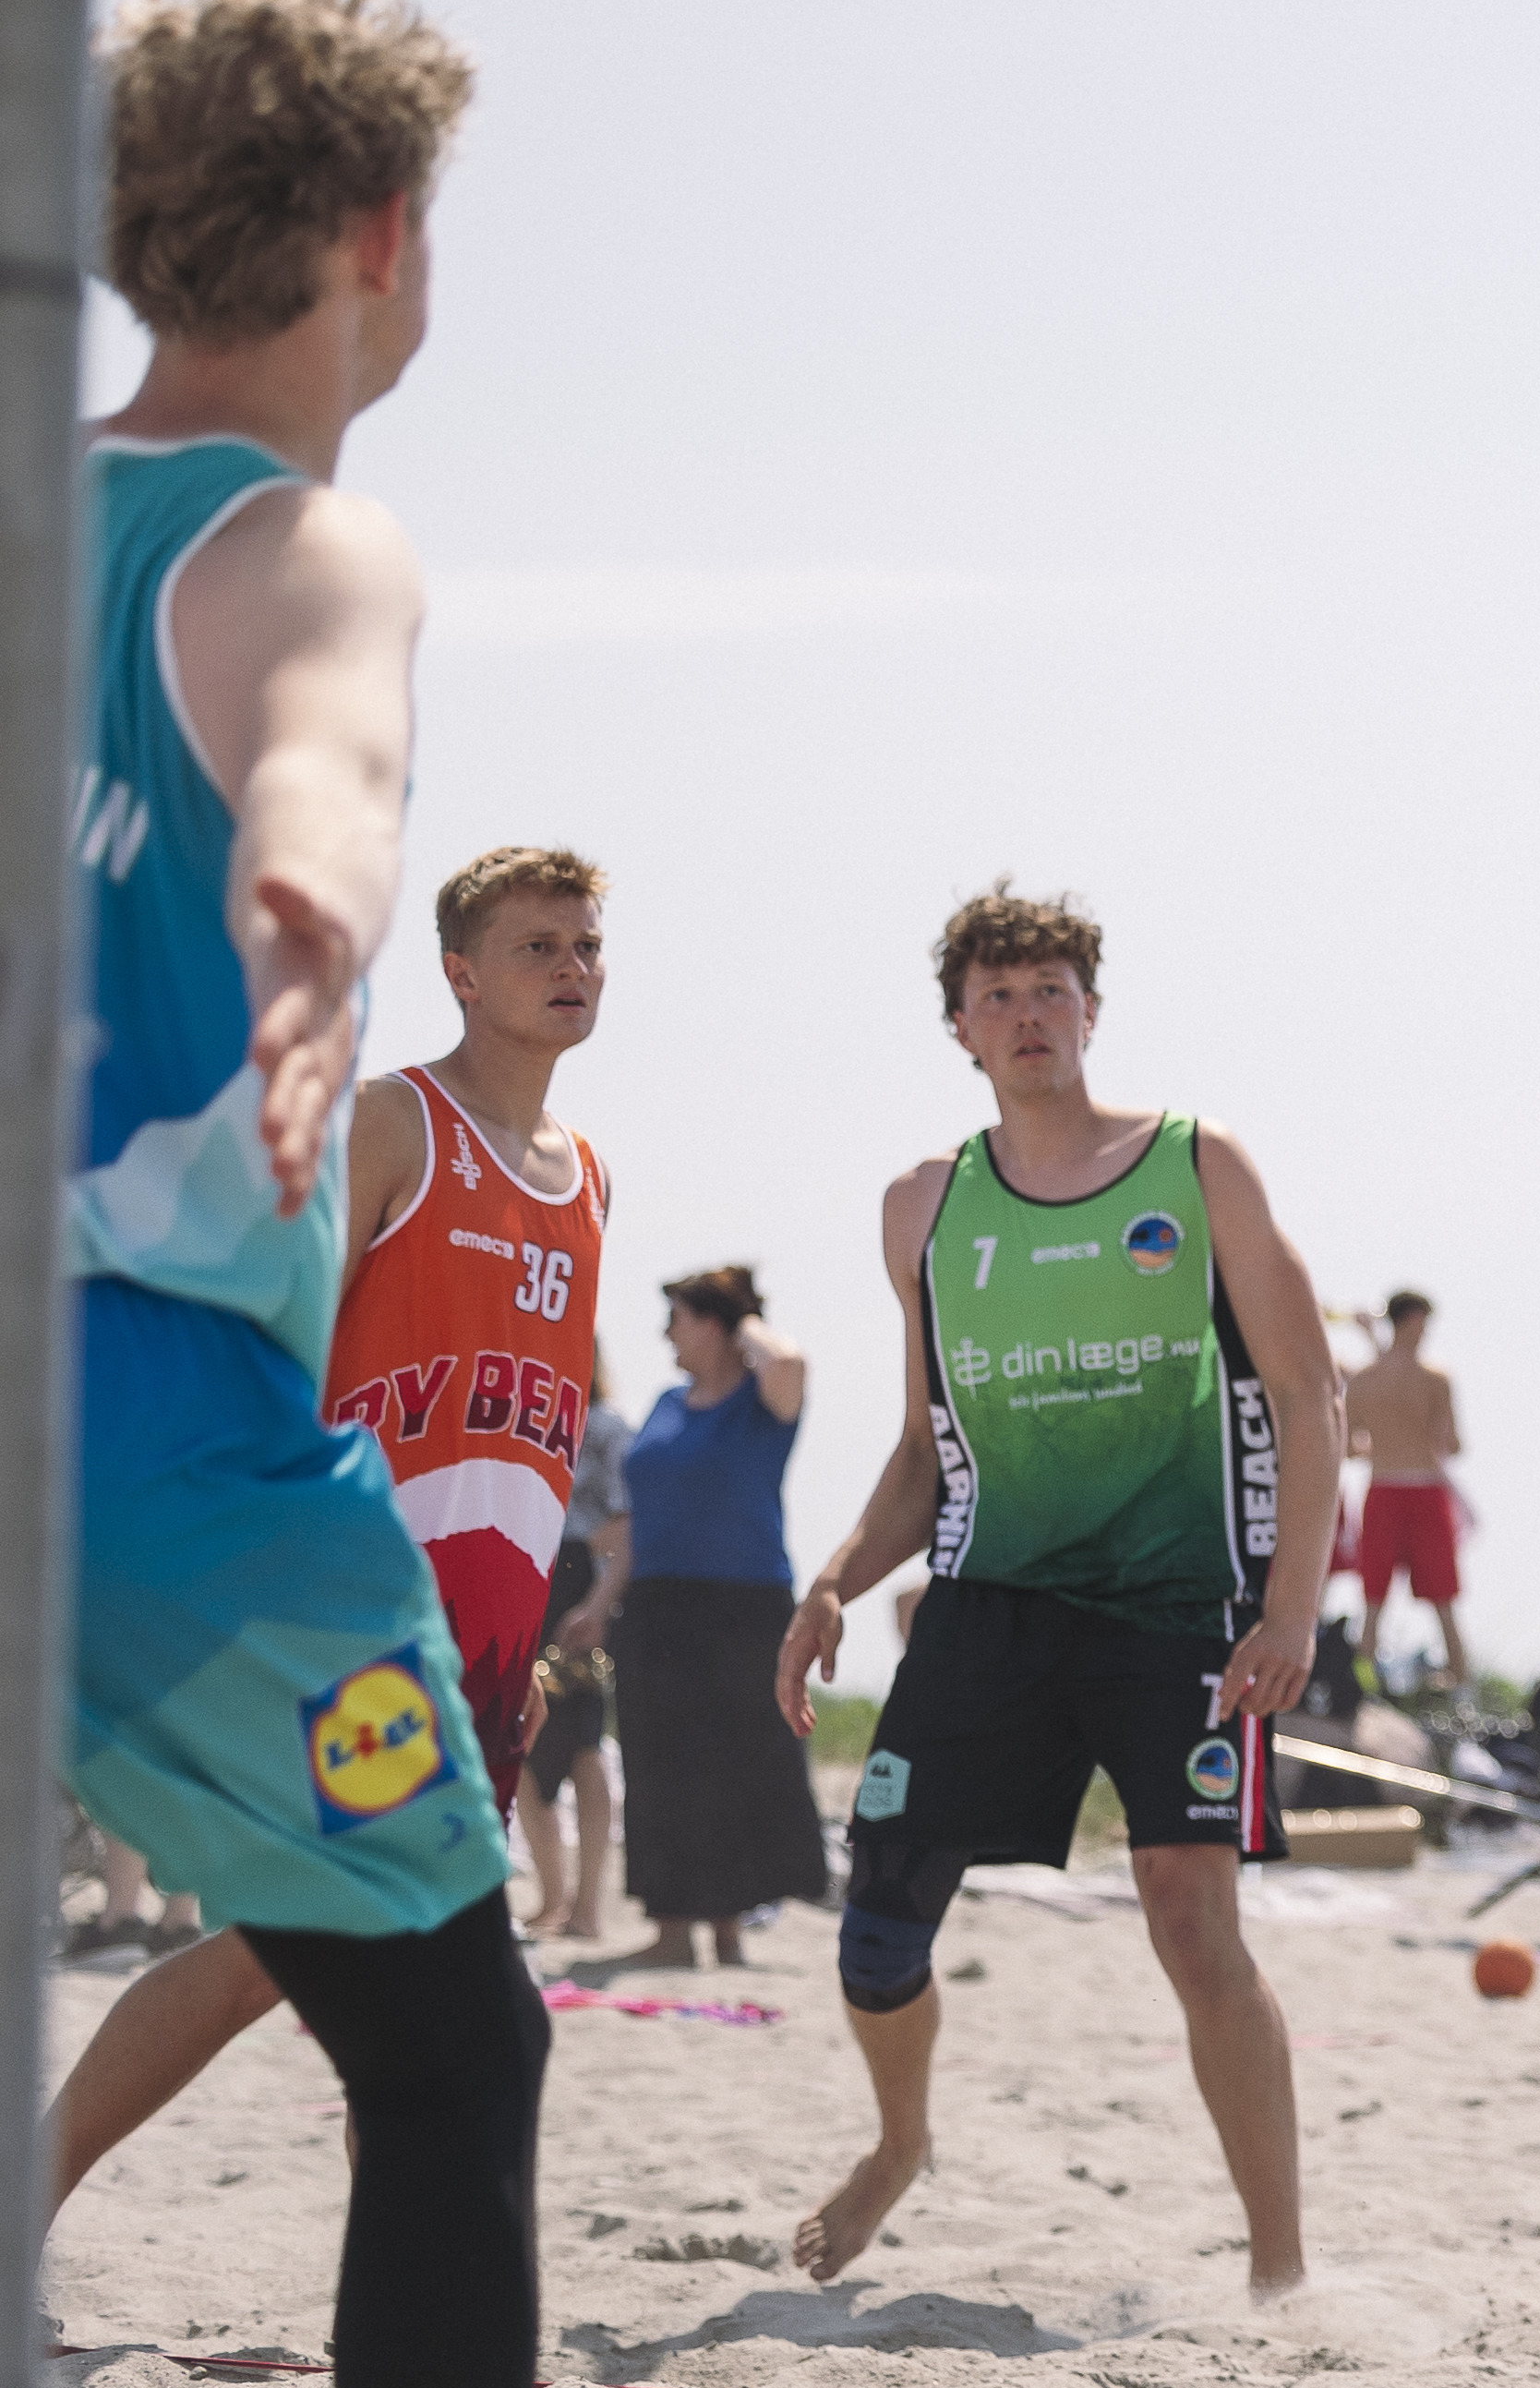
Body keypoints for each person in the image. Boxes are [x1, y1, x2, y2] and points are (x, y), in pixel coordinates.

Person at [59, 0, 546, 2388]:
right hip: (152, 1451)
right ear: (385, 236)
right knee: (452, 2050)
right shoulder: (295, 527)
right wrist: (314, 917)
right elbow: (327, 758)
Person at [772, 888, 1347, 2299]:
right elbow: (925, 1447)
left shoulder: (1194, 1164)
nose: (1028, 1015)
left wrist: (1291, 1608)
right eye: (998, 994)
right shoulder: (927, 1203)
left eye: (1050, 989)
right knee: (880, 1913)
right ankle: (899, 2144)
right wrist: (837, 1579)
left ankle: (1281, 2274)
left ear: (1091, 1009)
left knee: (1189, 1918)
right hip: (990, 1601)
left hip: (1179, 1605)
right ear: (960, 1028)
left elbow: (1306, 1389)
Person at [47, 841, 612, 2209]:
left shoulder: (588, 1177)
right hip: (343, 1615)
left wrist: (517, 1645)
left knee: (327, 1964)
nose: (571, 969)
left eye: (587, 945)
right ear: (459, 973)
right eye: (537, 946)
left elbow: (523, 1446)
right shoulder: (394, 1126)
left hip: (477, 1654)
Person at [611, 1268, 820, 1967]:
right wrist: (603, 1597)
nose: (667, 1332)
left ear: (716, 1325)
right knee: (660, 1761)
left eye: (679, 1317)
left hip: (745, 1602)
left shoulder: (763, 1403)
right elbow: (638, 1514)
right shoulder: (667, 1402)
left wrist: (744, 1320)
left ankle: (728, 1929)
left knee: (739, 1762)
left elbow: (787, 1361)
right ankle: (671, 1926)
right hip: (657, 1604)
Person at [523, 1355, 627, 1940]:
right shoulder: (520, 1413)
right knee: (520, 1742)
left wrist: (597, 1599)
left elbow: (631, 1521)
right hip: (528, 1575)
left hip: (580, 1580)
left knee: (587, 1746)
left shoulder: (609, 1427)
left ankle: (586, 1908)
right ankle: (553, 1897)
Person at [1341, 1292, 1469, 1696]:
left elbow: (1347, 1446)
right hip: (1426, 1492)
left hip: (1382, 1488)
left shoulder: (1362, 1380)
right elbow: (1452, 1444)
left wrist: (1384, 1445)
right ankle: (1459, 1679)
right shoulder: (1436, 1379)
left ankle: (1361, 1682)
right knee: (1443, 1597)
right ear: (1413, 1320)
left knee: (1373, 1596)